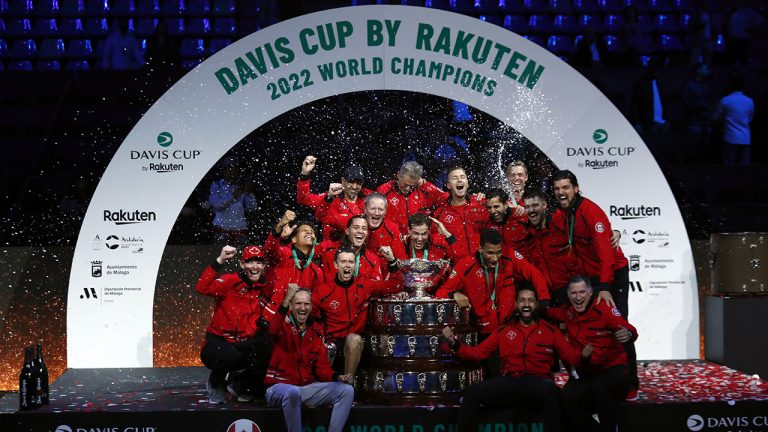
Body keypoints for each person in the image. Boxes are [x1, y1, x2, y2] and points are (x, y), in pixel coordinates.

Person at [443, 286, 589, 432]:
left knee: (552, 391)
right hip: (510, 381)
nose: (526, 305)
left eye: (530, 301)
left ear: (536, 305)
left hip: (538, 382)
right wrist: (454, 343)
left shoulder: (550, 331)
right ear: (516, 304)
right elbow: (477, 354)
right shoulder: (504, 330)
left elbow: (569, 355)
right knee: (472, 392)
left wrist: (583, 356)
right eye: (522, 301)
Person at [549, 170, 637, 396]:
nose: (561, 192)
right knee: (587, 328)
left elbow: (606, 253)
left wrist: (605, 286)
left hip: (612, 274)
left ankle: (631, 384)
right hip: (590, 278)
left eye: (566, 187)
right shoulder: (562, 215)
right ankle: (593, 379)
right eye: (557, 189)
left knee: (619, 325)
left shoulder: (591, 212)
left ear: (576, 188)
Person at [549, 277, 638, 432]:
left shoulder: (603, 309)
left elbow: (628, 328)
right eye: (574, 293)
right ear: (568, 296)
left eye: (582, 292)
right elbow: (548, 312)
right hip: (588, 374)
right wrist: (533, 307)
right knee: (565, 399)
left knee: (599, 388)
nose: (578, 297)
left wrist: (628, 334)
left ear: (590, 292)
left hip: (614, 372)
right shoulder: (568, 313)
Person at [265, 284, 354, 432]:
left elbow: (322, 368)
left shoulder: (316, 330)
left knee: (346, 390)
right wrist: (286, 299)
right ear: (291, 306)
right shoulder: (283, 324)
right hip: (278, 387)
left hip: (304, 389)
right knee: (292, 393)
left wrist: (338, 376)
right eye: (298, 303)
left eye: (306, 304)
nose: (302, 308)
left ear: (311, 307)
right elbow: (273, 329)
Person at [196, 245, 272, 403]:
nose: (255, 266)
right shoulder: (231, 281)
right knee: (229, 354)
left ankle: (239, 384)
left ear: (264, 266)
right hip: (217, 343)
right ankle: (215, 383)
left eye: (259, 262)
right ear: (242, 264)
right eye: (250, 262)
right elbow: (202, 288)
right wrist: (220, 260)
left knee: (270, 345)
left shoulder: (265, 287)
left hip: (241, 344)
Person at [313, 246, 403, 378]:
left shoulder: (364, 285)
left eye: (351, 262)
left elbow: (395, 285)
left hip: (359, 340)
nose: (347, 265)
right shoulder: (324, 290)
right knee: (353, 339)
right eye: (343, 262)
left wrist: (391, 260)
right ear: (336, 265)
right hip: (334, 343)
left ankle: (381, 386)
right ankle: (348, 387)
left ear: (355, 265)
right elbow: (309, 312)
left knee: (383, 339)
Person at [297, 155, 368, 241]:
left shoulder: (368, 201)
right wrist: (305, 174)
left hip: (359, 251)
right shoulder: (330, 198)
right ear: (343, 181)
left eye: (359, 183)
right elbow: (304, 198)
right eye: (351, 182)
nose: (354, 186)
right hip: (332, 251)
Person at [264, 212, 324, 301]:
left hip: (299, 314)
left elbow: (316, 300)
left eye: (312, 232)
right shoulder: (284, 254)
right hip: (273, 312)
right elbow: (269, 251)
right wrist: (279, 228)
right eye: (304, 231)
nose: (309, 232)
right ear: (294, 239)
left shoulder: (316, 271)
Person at [376, 160, 447, 236]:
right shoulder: (384, 191)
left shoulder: (425, 190)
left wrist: (426, 185)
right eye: (405, 184)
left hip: (418, 241)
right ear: (398, 175)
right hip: (391, 239)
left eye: (412, 186)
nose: (407, 189)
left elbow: (449, 199)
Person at [431, 166, 488, 258]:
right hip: (457, 267)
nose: (459, 180)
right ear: (448, 185)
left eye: (462, 177)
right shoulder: (440, 214)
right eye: (455, 178)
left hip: (482, 264)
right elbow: (435, 243)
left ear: (467, 183)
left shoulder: (481, 204)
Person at [318, 215, 383, 282]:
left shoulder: (373, 259)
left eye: (364, 228)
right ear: (347, 231)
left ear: (367, 233)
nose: (360, 231)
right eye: (356, 227)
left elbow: (376, 287)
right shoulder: (330, 252)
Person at [208, 158, 258, 245]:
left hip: (240, 231)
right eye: (229, 168)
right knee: (218, 257)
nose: (232, 171)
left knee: (241, 258)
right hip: (221, 230)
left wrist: (250, 193)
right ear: (223, 170)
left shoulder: (241, 186)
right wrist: (233, 196)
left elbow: (252, 207)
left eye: (235, 168)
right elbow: (216, 205)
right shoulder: (217, 185)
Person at [358, 192, 407, 276]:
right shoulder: (355, 224)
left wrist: (392, 260)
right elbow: (328, 219)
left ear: (385, 212)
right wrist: (327, 199)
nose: (377, 213)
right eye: (373, 208)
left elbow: (402, 262)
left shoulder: (393, 229)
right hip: (357, 277)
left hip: (382, 279)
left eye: (380, 209)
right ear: (365, 209)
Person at [713, 72, 754, 166]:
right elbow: (750, 118)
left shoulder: (726, 100)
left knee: (729, 167)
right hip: (745, 138)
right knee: (745, 167)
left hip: (730, 137)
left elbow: (715, 118)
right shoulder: (749, 101)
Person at [484, 188, 528, 252]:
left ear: (506, 204)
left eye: (496, 207)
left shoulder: (521, 215)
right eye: (489, 207)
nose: (492, 211)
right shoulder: (487, 224)